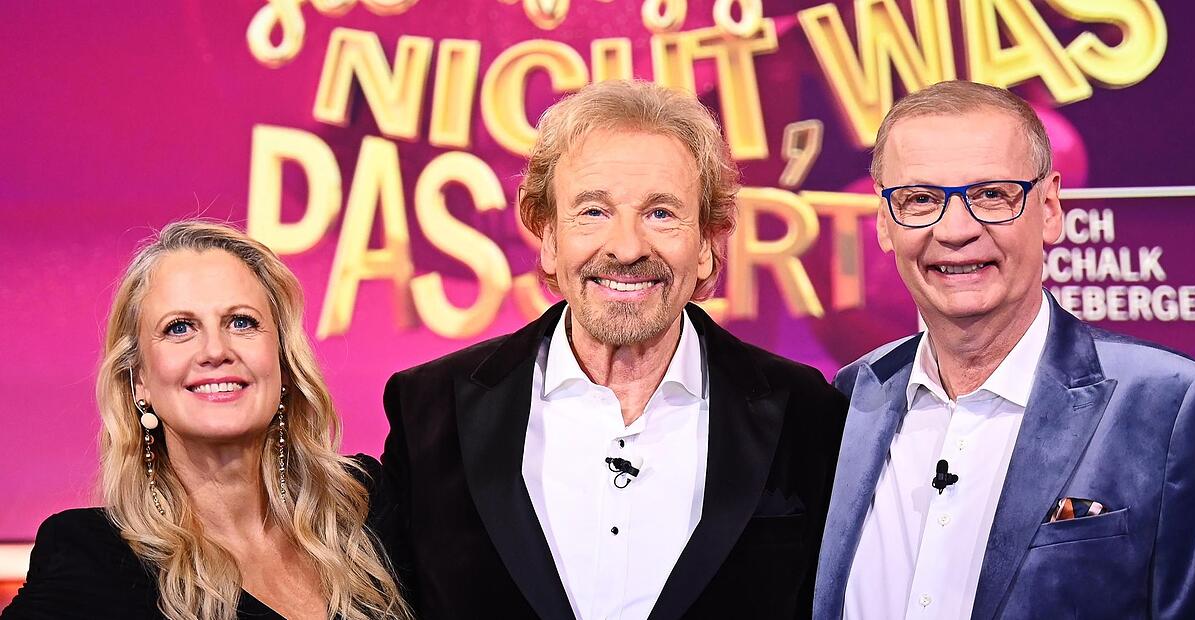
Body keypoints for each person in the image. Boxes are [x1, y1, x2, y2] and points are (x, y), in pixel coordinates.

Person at [376, 79, 848, 619]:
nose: (626, 248)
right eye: (593, 212)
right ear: (549, 238)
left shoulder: (805, 411)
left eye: (661, 213)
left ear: (707, 244)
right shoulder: (430, 407)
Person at [812, 80, 1195, 619]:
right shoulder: (850, 397)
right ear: (883, 222)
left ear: (1050, 208)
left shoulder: (1167, 404)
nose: (955, 230)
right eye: (920, 200)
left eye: (992, 195)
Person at [3, 221, 411, 620]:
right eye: (179, 328)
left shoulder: (363, 506)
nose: (215, 351)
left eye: (242, 322)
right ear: (139, 379)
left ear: (284, 362)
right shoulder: (93, 557)